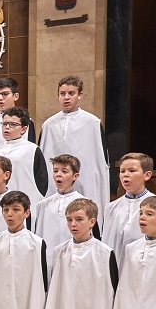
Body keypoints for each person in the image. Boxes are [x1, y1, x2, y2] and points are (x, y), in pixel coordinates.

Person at [38, 76, 110, 216]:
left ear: (80, 95)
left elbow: (101, 160)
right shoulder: (48, 125)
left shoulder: (92, 123)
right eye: (62, 94)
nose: (66, 98)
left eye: (71, 93)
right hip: (56, 184)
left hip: (84, 180)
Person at [0, 108, 48, 215]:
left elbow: (42, 180)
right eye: (4, 124)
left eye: (12, 124)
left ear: (24, 129)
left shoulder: (32, 150)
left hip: (23, 204)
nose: (7, 127)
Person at [102, 153, 156, 269]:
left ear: (146, 175)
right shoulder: (111, 208)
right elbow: (106, 244)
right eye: (122, 171)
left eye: (132, 171)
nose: (125, 175)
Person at [33, 154, 85, 277]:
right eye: (55, 171)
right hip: (47, 262)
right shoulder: (43, 205)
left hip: (74, 262)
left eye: (64, 171)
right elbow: (38, 236)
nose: (58, 174)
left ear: (75, 176)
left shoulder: (84, 204)